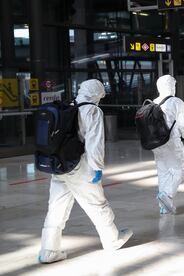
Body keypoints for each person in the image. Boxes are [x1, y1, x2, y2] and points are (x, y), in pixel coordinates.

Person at [38, 80, 132, 264]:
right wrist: (97, 168)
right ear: (96, 93)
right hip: (80, 166)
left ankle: (48, 250)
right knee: (96, 204)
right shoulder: (92, 110)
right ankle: (112, 240)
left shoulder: (68, 106)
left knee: (56, 208)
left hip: (60, 166)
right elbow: (94, 143)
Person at [152, 75, 184, 214]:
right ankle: (167, 196)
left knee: (163, 173)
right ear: (171, 86)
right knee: (179, 170)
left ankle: (164, 207)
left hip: (157, 144)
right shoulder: (176, 102)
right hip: (171, 142)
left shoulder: (154, 102)